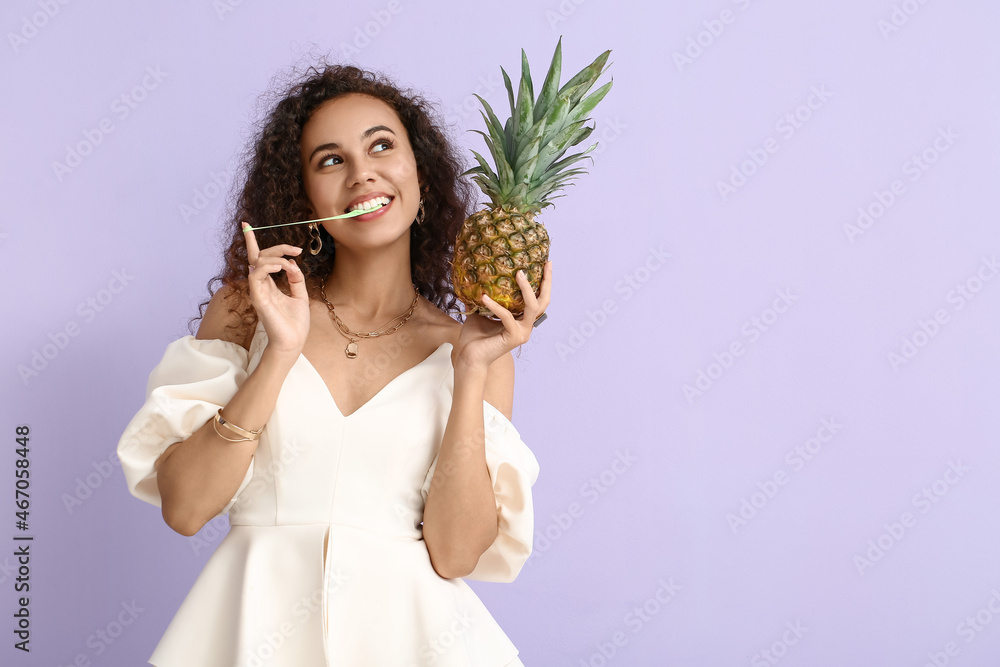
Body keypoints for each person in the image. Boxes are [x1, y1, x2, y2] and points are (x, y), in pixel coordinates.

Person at [116, 60, 551, 666]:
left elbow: (454, 556)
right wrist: (280, 355)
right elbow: (185, 508)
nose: (362, 173)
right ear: (304, 195)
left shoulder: (474, 351)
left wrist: (472, 366)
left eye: (381, 146)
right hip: (250, 633)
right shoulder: (249, 311)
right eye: (330, 159)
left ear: (420, 176)